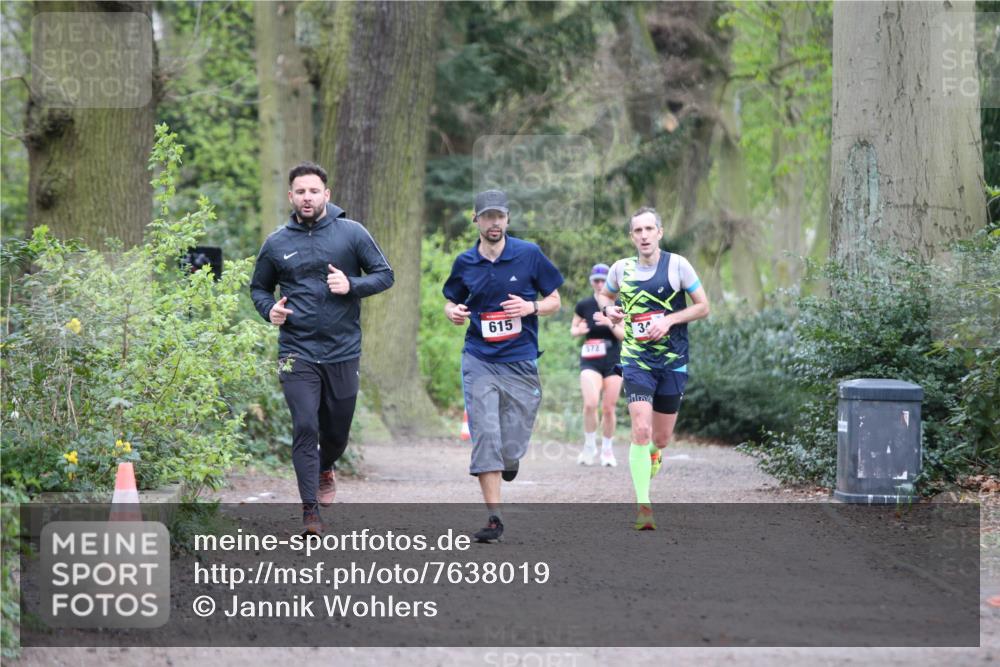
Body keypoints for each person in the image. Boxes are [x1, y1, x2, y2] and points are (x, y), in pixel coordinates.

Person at [250, 162, 394, 535]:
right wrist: (271, 311)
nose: (307, 197)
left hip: (343, 350)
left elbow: (385, 274)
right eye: (300, 192)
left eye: (314, 191)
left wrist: (352, 285)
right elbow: (259, 289)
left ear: (326, 195)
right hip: (295, 351)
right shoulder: (277, 242)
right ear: (291, 197)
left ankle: (327, 464)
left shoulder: (351, 233)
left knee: (336, 431)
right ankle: (310, 510)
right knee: (305, 424)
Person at [443, 189, 563, 543]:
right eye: (487, 216)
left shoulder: (528, 254)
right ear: (476, 220)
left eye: (500, 216)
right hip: (479, 358)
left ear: (507, 220)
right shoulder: (466, 262)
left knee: (511, 445)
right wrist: (453, 312)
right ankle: (494, 518)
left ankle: (510, 461)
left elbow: (555, 299)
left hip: (521, 360)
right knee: (486, 435)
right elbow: (452, 300)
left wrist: (532, 308)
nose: (494, 223)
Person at [597, 207, 709, 530]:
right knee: (641, 430)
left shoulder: (677, 265)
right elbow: (604, 296)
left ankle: (655, 455)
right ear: (632, 236)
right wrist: (611, 311)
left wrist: (670, 319)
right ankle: (644, 508)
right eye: (638, 231)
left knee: (659, 439)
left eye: (649, 229)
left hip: (673, 361)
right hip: (635, 360)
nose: (644, 236)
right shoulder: (620, 270)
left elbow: (704, 306)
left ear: (659, 232)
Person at [570, 263, 624, 467]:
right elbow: (573, 329)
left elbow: (625, 335)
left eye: (604, 280)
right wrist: (580, 330)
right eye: (597, 280)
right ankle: (589, 446)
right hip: (590, 358)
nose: (600, 284)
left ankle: (608, 450)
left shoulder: (617, 305)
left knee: (609, 408)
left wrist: (609, 322)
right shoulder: (583, 305)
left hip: (613, 360)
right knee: (590, 403)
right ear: (592, 282)